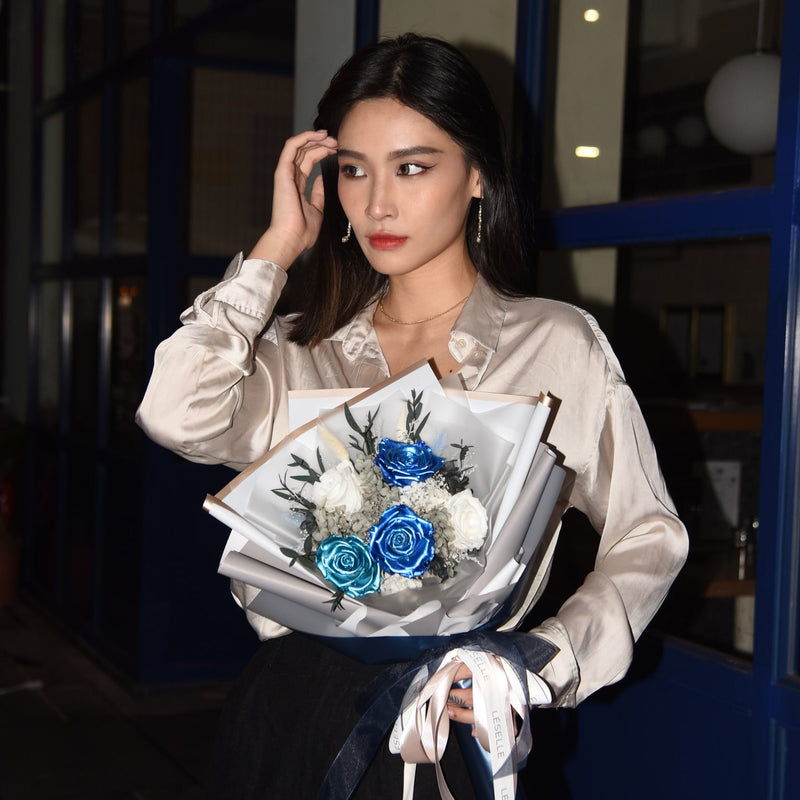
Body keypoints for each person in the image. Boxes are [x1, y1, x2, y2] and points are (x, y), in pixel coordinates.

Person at [136, 33, 688, 799]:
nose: (377, 203)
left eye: (413, 167)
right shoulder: (305, 349)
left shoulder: (554, 344)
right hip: (293, 713)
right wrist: (274, 250)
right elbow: (173, 414)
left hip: (453, 717)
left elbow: (647, 534)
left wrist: (542, 660)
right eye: (354, 170)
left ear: (478, 177)